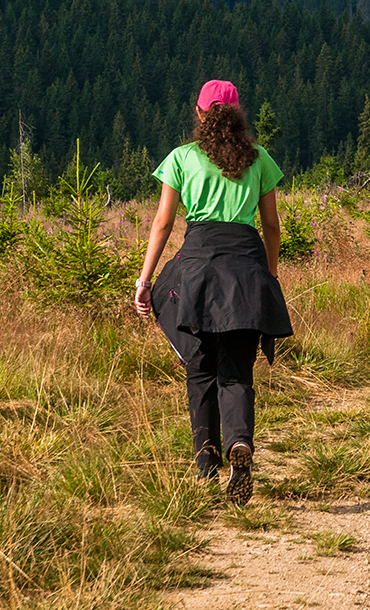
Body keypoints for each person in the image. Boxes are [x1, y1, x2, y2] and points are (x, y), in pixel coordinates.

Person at [134, 80, 294, 503]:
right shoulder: (259, 159)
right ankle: (239, 442)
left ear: (200, 114)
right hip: (246, 269)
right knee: (237, 369)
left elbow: (163, 224)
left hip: (199, 270)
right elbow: (273, 227)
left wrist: (146, 280)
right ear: (238, 114)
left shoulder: (181, 158)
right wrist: (269, 277)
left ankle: (206, 467)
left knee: (200, 367)